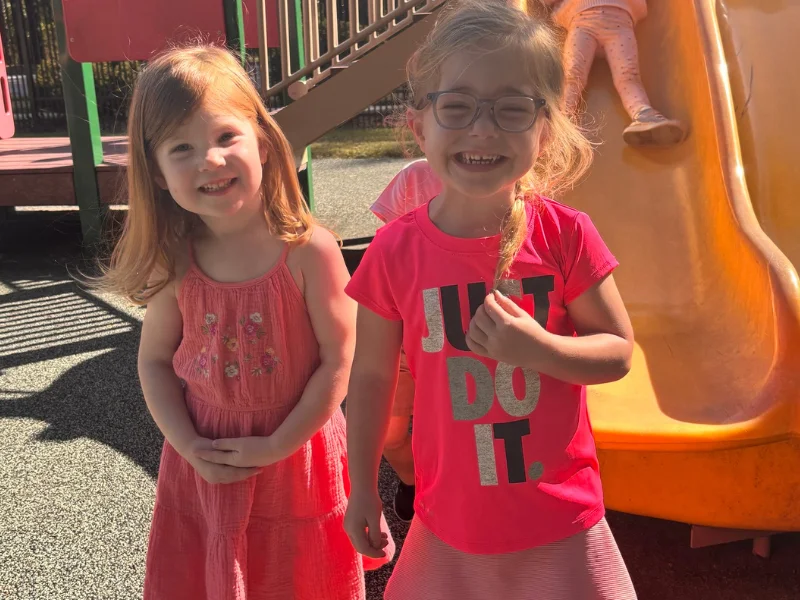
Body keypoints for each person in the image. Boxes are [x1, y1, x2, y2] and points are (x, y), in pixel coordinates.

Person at [343, 1, 637, 598]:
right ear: (419, 127)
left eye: (512, 108)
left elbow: (618, 351)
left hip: (562, 520)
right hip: (450, 523)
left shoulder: (566, 235)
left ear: (545, 130)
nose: (483, 129)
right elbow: (370, 379)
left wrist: (541, 349)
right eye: (457, 107)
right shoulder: (394, 251)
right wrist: (362, 488)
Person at [98, 45, 393, 599]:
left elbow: (339, 359)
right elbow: (155, 361)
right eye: (182, 148)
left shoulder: (309, 252)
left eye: (225, 136)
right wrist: (188, 444)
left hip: (297, 457)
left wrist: (279, 443)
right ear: (157, 172)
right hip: (205, 459)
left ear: (263, 142)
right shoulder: (176, 260)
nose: (209, 160)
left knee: (299, 578)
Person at [369, 158, 441, 522]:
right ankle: (414, 482)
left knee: (453, 434)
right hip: (404, 336)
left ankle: (447, 495)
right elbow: (387, 247)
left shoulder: (508, 179)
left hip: (456, 345)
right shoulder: (418, 175)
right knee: (388, 434)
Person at [543, 0, 686, 146]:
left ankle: (643, 113)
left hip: (619, 24)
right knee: (572, 74)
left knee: (628, 75)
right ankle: (563, 118)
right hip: (583, 22)